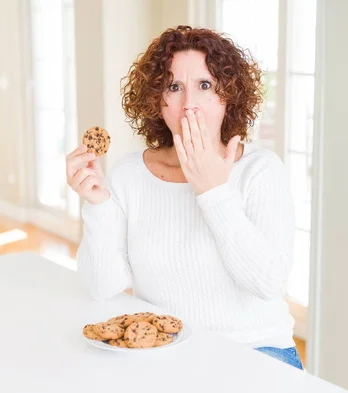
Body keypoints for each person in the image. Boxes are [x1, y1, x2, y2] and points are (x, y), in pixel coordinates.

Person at [65, 25, 302, 369]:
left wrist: (214, 192)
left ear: (228, 96)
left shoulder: (260, 171)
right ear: (156, 101)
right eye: (174, 87)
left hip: (256, 352)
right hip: (168, 353)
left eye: (204, 85)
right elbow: (101, 287)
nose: (189, 104)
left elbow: (268, 283)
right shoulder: (129, 174)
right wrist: (97, 204)